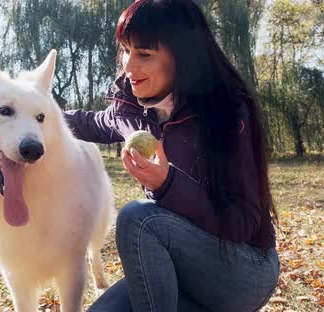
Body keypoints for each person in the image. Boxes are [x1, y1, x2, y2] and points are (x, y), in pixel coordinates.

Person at [64, 0, 279, 311]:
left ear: (183, 57)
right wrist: (31, 116)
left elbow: (242, 223)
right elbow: (92, 122)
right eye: (126, 49)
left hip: (244, 269)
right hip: (177, 265)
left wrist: (168, 184)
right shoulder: (134, 109)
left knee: (139, 219)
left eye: (144, 54)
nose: (127, 65)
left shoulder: (227, 115)